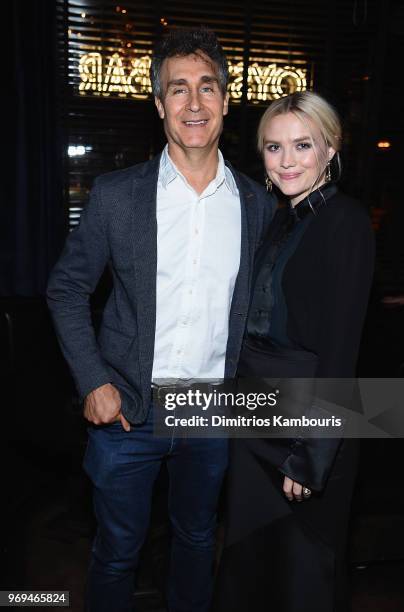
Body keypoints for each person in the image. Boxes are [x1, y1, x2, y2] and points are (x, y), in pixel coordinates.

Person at [46, 27, 275, 612]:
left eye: (207, 87)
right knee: (117, 552)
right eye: (178, 89)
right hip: (126, 408)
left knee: (198, 541)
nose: (194, 104)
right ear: (159, 106)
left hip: (210, 412)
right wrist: (93, 380)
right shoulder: (117, 196)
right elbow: (67, 288)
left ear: (226, 100)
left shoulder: (260, 206)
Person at [213, 91, 374, 612]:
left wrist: (312, 455)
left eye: (302, 145)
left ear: (330, 149)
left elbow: (341, 350)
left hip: (304, 429)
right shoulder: (281, 219)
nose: (286, 161)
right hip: (254, 422)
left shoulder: (346, 221)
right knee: (251, 569)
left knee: (303, 578)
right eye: (273, 147)